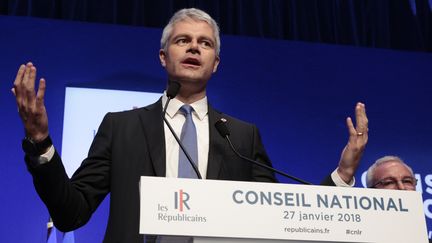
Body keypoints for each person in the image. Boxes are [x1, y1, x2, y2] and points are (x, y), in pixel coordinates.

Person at [12, 8, 368, 243]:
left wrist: (341, 175)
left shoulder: (241, 136)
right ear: (164, 57)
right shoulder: (122, 128)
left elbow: (278, 218)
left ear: (215, 64)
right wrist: (40, 141)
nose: (194, 48)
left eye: (205, 43)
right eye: (183, 40)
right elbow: (70, 212)